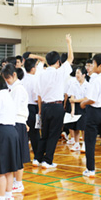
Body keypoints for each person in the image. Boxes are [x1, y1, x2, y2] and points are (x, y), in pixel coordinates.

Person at [34, 34, 73, 168]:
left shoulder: (41, 74)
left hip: (44, 106)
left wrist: (39, 110)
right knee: (53, 135)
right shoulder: (59, 72)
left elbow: (38, 94)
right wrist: (69, 43)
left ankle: (37, 158)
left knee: (44, 133)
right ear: (57, 62)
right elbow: (70, 58)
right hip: (56, 107)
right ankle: (47, 160)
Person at [1, 63, 29, 193]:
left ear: (14, 75)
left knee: (19, 154)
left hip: (17, 122)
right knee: (15, 154)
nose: (7, 82)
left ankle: (19, 182)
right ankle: (16, 182)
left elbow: (14, 108)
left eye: (8, 79)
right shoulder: (13, 88)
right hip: (16, 122)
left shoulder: (18, 89)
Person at [21, 58, 40, 159]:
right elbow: (36, 97)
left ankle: (23, 156)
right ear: (33, 68)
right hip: (32, 107)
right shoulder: (35, 79)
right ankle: (37, 157)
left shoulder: (22, 79)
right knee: (34, 132)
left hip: (22, 107)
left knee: (24, 132)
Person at [66, 66, 89, 152]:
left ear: (84, 74)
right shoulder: (73, 85)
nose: (77, 75)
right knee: (75, 127)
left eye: (78, 73)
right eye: (76, 73)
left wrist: (75, 100)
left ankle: (84, 143)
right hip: (76, 107)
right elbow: (72, 97)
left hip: (84, 107)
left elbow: (86, 98)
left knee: (83, 128)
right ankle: (76, 143)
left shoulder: (88, 85)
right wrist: (72, 110)